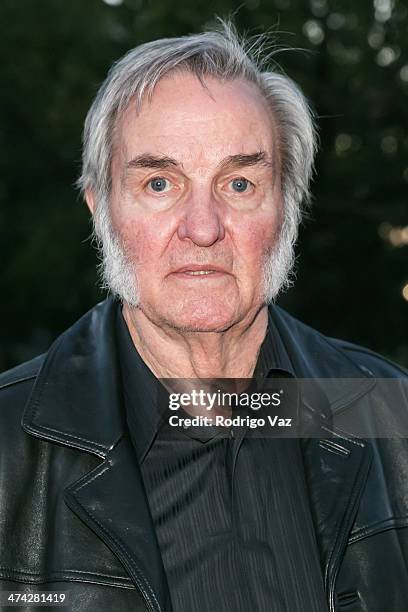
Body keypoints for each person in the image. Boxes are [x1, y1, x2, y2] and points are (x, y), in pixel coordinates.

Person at [0, 22, 407, 612]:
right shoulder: (9, 453)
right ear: (101, 210)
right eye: (160, 182)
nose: (202, 227)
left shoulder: (387, 414)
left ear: (287, 207)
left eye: (239, 183)